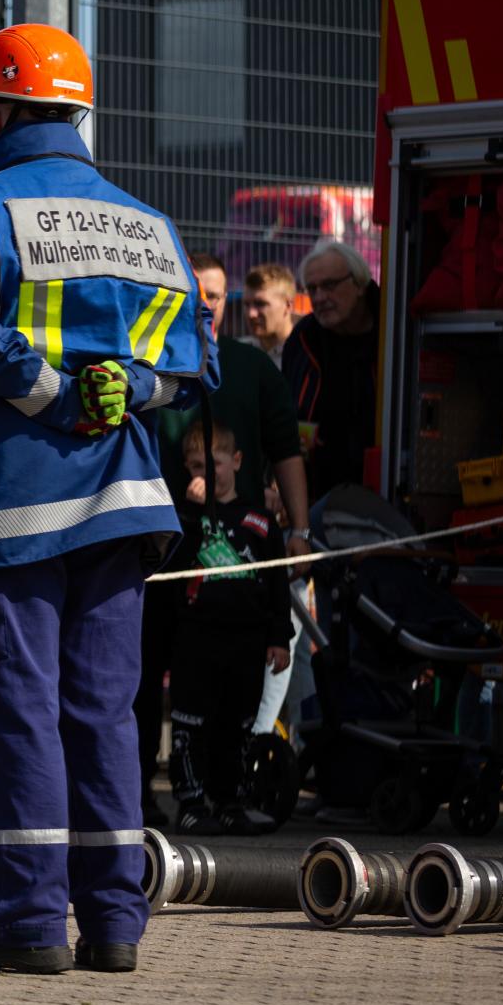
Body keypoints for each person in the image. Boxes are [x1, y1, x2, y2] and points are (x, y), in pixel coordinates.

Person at [0, 23, 212, 975]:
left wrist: (46, 390)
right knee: (103, 711)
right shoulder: (147, 224)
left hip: (12, 499)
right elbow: (189, 361)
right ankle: (116, 925)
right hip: (125, 499)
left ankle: (26, 922)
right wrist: (125, 388)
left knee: (16, 708)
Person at [142, 253, 309, 825]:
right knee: (149, 683)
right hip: (161, 553)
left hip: (237, 564)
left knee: (232, 701)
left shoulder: (252, 366)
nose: (205, 304)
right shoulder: (149, 362)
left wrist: (300, 530)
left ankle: (226, 797)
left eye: (214, 295)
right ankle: (146, 796)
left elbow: (288, 449)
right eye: (195, 294)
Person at [168, 421, 293, 835]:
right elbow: (170, 565)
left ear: (236, 462)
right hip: (196, 640)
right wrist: (190, 512)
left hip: (247, 641)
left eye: (214, 464)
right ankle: (190, 801)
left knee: (236, 726)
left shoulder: (260, 522)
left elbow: (277, 584)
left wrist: (279, 638)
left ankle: (229, 801)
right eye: (196, 466)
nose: (206, 474)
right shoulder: (183, 516)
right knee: (191, 724)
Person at [283, 239, 381, 504]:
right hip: (317, 496)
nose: (319, 298)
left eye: (329, 286)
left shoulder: (393, 332)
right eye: (311, 289)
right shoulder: (302, 341)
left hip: (385, 491)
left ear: (359, 283)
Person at [240, 263, 298, 369]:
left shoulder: (305, 355)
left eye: (260, 304)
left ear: (288, 306)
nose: (251, 314)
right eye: (246, 304)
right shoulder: (238, 353)